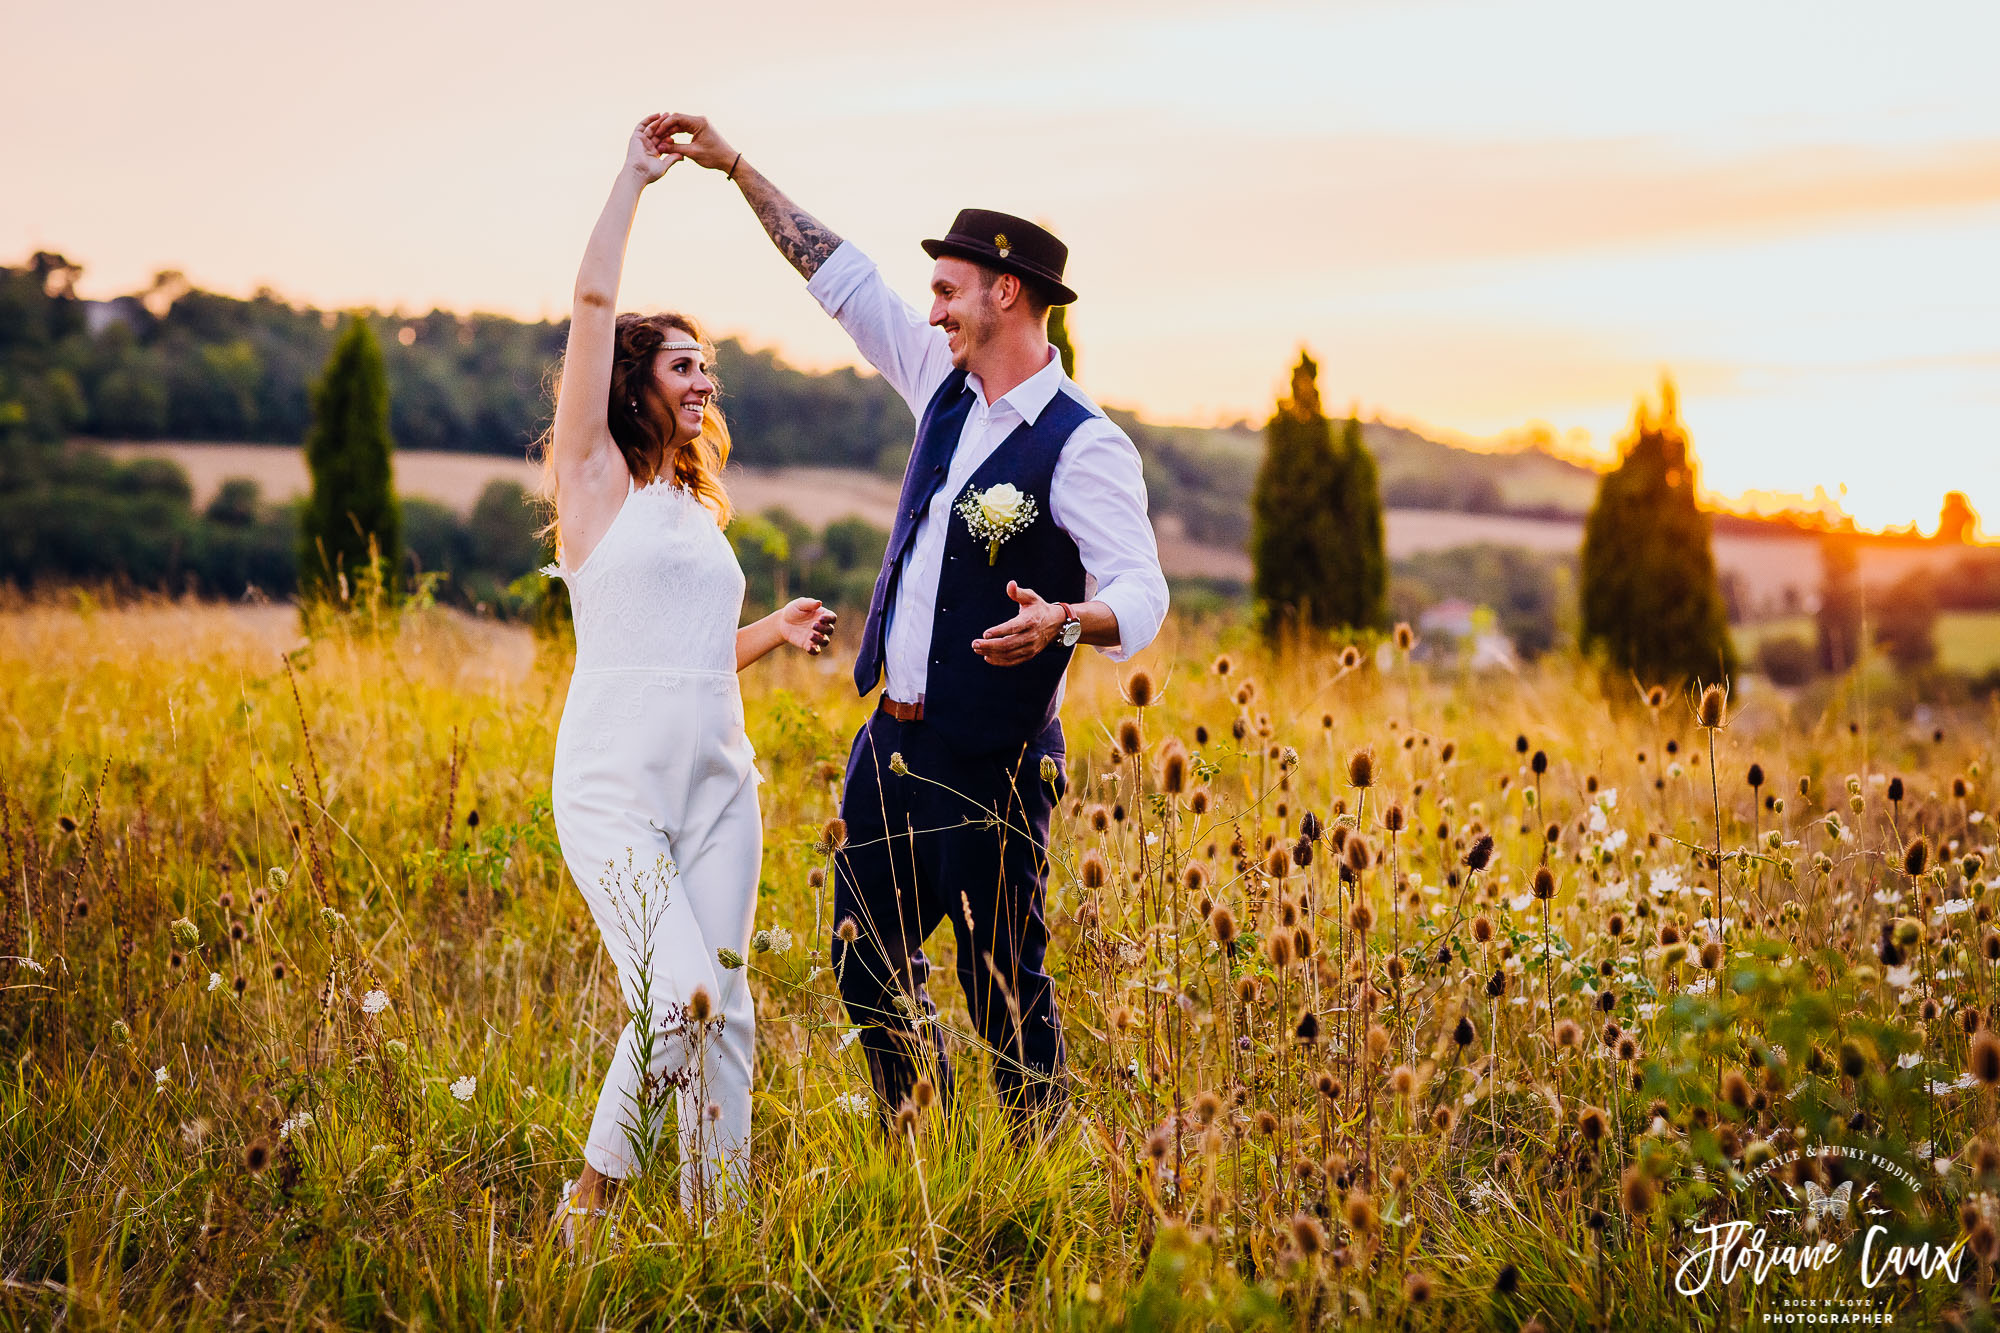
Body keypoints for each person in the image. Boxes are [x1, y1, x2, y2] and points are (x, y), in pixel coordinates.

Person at [656, 113, 1169, 1135]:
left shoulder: (1084, 445)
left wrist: (1068, 618)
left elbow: (1143, 592)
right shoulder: (942, 387)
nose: (930, 310)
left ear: (1003, 291)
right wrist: (734, 168)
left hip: (995, 757)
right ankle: (913, 1135)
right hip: (887, 739)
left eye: (946, 290)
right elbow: (836, 276)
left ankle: (1033, 1166)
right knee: (860, 954)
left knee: (999, 985)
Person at [538, 115, 836, 1244]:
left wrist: (771, 627)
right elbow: (588, 311)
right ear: (635, 382)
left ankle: (719, 1233)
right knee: (676, 1001)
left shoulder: (694, 511)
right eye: (682, 365)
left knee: (731, 1012)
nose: (703, 380)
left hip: (719, 783)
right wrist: (631, 180)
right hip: (614, 788)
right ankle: (591, 1201)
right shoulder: (592, 482)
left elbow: (687, 655)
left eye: (707, 365)